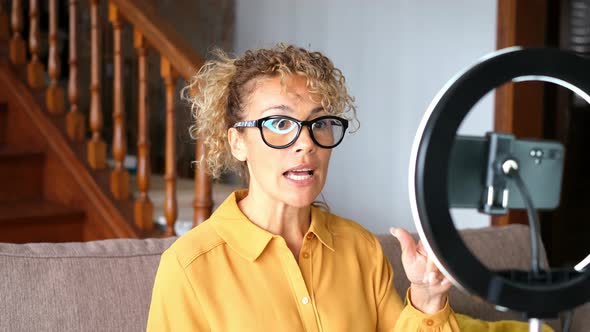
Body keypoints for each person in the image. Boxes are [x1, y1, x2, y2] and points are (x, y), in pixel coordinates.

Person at [146, 44, 552, 331]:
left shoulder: (360, 248)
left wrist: (427, 297)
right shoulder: (189, 268)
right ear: (237, 141)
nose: (306, 142)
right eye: (280, 123)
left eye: (319, 123)